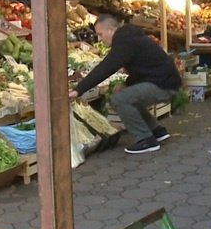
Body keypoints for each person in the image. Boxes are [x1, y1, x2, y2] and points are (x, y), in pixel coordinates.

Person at [69, 14, 182, 154]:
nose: (99, 39)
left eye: (100, 34)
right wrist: (127, 83)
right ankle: (156, 130)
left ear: (110, 30)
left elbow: (106, 67)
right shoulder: (128, 37)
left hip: (163, 85)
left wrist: (78, 90)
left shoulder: (124, 41)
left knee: (120, 99)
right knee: (125, 93)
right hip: (163, 81)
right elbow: (144, 68)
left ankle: (146, 140)